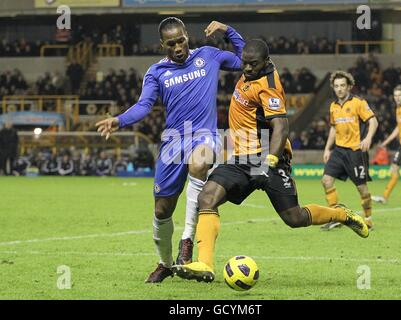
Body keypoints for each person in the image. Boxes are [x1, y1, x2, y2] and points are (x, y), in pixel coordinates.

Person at [173, 40, 369, 283]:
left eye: (252, 64)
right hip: (240, 158)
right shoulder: (252, 68)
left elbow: (281, 126)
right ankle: (205, 263)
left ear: (265, 62)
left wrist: (271, 160)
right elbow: (244, 47)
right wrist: (225, 32)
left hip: (266, 157)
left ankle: (340, 215)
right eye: (244, 62)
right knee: (207, 197)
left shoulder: (269, 86)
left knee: (294, 218)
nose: (246, 68)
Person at [95, 17, 245, 283]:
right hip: (173, 142)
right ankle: (165, 263)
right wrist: (118, 120)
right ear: (163, 44)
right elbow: (144, 106)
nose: (178, 47)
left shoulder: (208, 56)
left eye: (181, 41)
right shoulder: (156, 72)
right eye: (172, 43)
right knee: (162, 210)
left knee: (199, 164)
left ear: (187, 36)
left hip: (204, 134)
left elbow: (244, 60)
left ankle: (187, 242)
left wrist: (226, 30)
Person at [320, 71, 378, 231]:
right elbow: (333, 128)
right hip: (339, 151)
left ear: (349, 87)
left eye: (342, 85)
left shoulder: (358, 103)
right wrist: (327, 148)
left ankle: (368, 219)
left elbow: (373, 121)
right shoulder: (333, 106)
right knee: (326, 180)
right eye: (336, 86)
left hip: (355, 152)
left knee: (362, 188)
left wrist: (368, 138)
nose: (339, 89)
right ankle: (336, 216)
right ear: (333, 87)